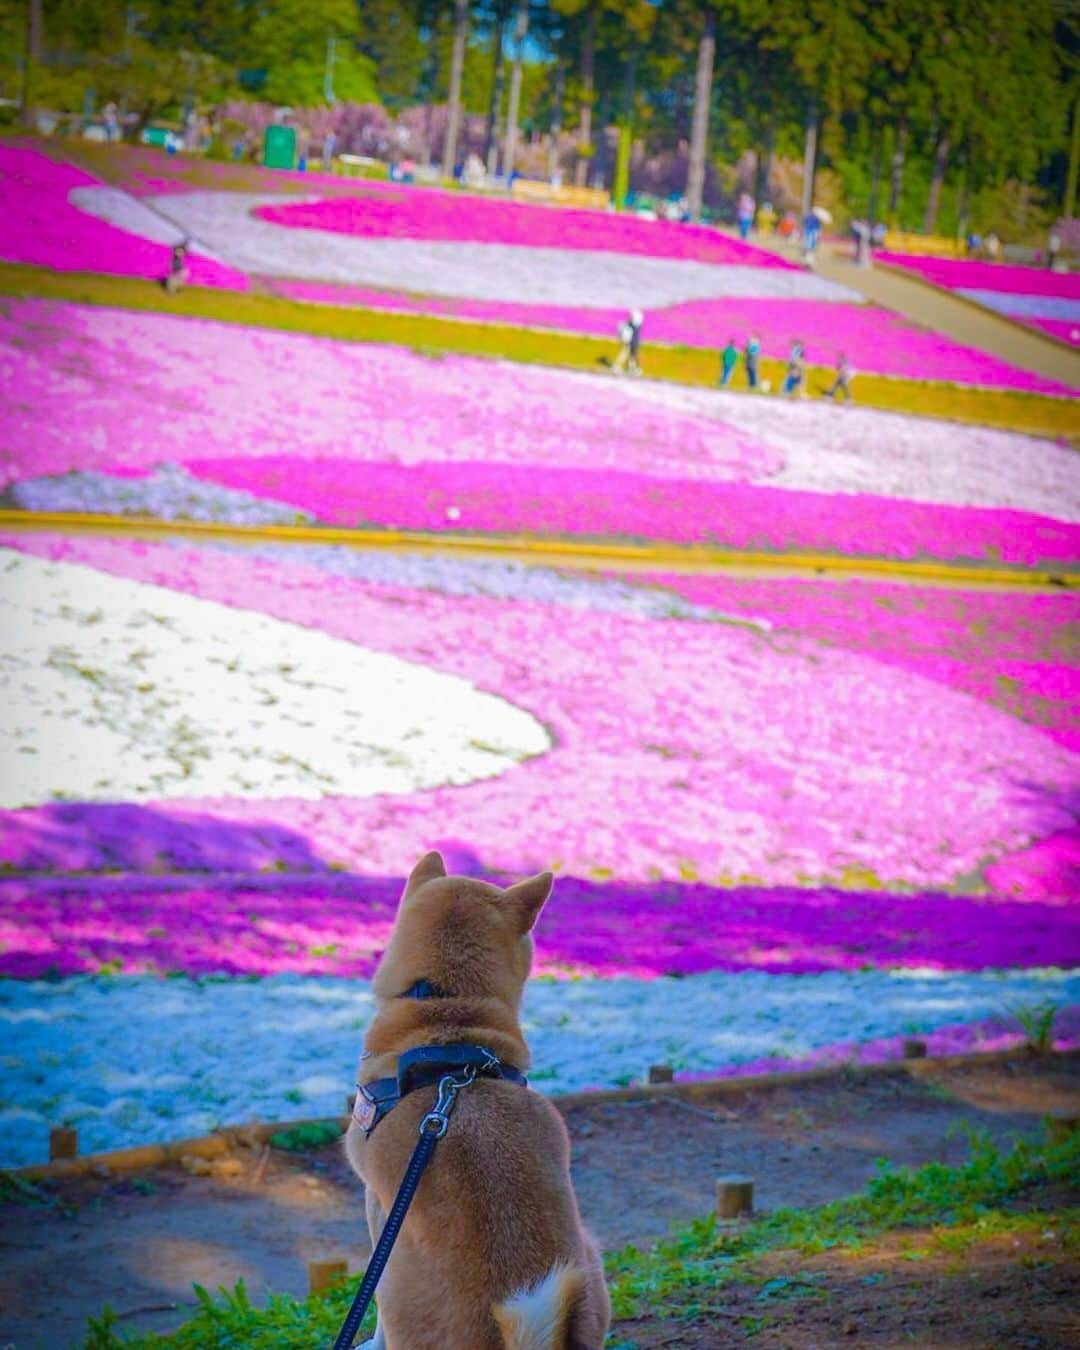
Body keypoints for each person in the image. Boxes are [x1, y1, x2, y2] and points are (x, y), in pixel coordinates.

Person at [613, 310, 644, 375]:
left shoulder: (633, 324)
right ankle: (617, 366)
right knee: (627, 354)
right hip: (631, 342)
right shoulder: (633, 324)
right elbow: (629, 334)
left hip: (632, 342)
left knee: (631, 355)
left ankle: (631, 368)